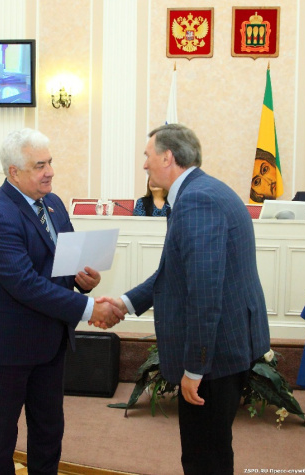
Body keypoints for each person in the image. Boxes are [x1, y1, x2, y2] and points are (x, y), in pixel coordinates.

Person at [99, 124, 271, 474]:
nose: (144, 164)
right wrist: (124, 303)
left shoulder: (197, 200)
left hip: (215, 356)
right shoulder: (203, 191)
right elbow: (174, 273)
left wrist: (195, 367)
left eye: (147, 156)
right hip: (226, 347)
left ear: (168, 157)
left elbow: (204, 293)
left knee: (203, 456)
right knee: (211, 448)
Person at [0, 128, 124, 474]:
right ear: (14, 172)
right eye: (39, 166)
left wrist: (85, 281)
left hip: (50, 343)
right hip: (6, 348)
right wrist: (90, 309)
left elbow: (65, 264)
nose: (50, 172)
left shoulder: (52, 204)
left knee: (48, 432)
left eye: (50, 162)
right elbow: (25, 284)